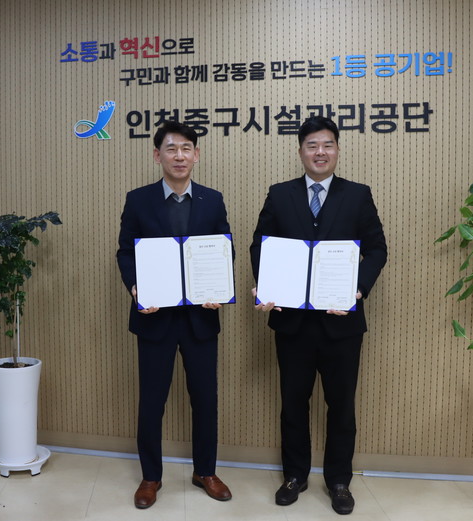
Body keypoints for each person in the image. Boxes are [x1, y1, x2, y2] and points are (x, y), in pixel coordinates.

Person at [249, 116, 387, 515]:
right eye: (312, 145)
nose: (320, 152)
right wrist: (266, 286)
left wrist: (357, 289)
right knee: (293, 403)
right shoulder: (280, 194)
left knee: (341, 406)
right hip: (292, 322)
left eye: (327, 145)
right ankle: (294, 475)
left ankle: (339, 481)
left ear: (337, 150)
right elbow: (260, 246)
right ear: (301, 152)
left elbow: (377, 249)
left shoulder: (357, 195)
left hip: (341, 321)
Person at [116, 121, 233, 509]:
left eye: (186, 149)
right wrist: (136, 287)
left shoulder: (213, 200)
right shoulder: (138, 200)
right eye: (171, 149)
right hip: (155, 317)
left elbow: (224, 249)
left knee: (205, 400)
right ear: (157, 156)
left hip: (201, 318)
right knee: (152, 401)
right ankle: (151, 477)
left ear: (196, 155)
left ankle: (206, 471)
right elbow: (126, 252)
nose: (179, 156)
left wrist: (219, 288)